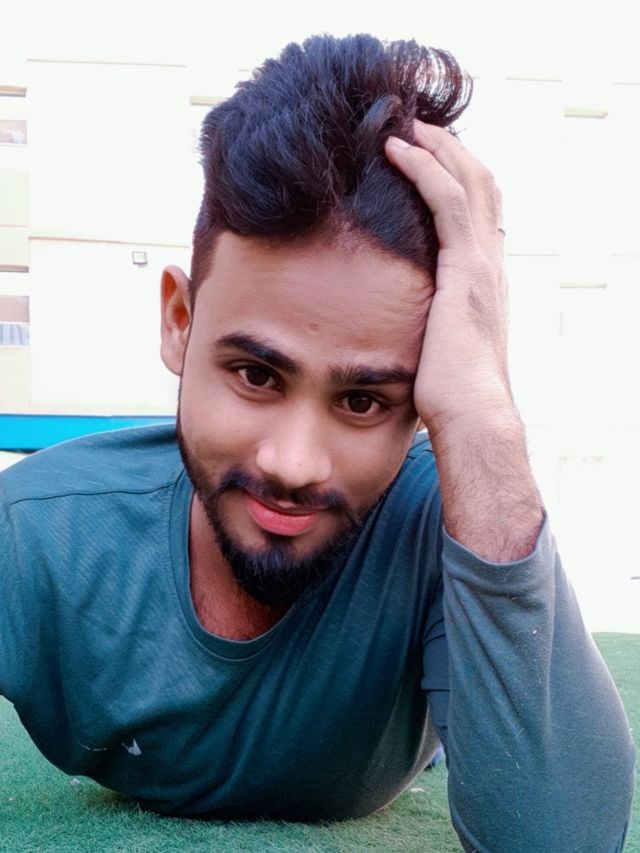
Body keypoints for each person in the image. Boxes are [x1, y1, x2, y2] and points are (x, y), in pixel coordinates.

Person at [0, 34, 635, 852]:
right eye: (256, 375)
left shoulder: (443, 527)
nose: (292, 464)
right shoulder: (36, 533)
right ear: (179, 322)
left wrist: (481, 414)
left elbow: (561, 841)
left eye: (364, 400)